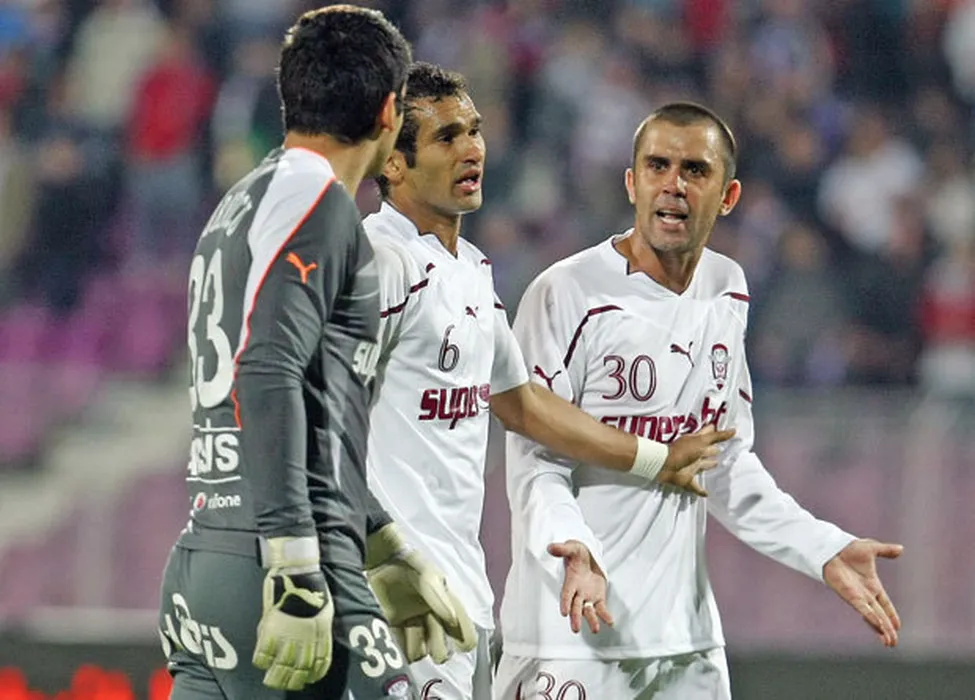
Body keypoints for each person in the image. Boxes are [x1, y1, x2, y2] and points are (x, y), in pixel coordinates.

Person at [495, 102, 905, 700]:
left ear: (728, 195)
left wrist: (822, 548)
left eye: (694, 170)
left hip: (685, 643)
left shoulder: (727, 288)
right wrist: (571, 550)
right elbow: (537, 461)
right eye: (657, 166)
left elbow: (726, 464)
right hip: (574, 632)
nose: (674, 185)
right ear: (631, 183)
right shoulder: (566, 293)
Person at [361, 64, 733, 700]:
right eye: (447, 137)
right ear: (394, 163)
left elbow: (525, 404)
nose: (473, 149)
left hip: (458, 591)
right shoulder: (378, 264)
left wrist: (656, 458)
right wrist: (375, 550)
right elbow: (315, 415)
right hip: (391, 596)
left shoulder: (467, 269)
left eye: (474, 130)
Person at [156, 7, 458, 699]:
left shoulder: (241, 201)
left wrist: (380, 539)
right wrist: (295, 569)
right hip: (285, 570)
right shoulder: (319, 202)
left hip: (207, 561)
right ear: (389, 113)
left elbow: (313, 414)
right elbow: (267, 371)